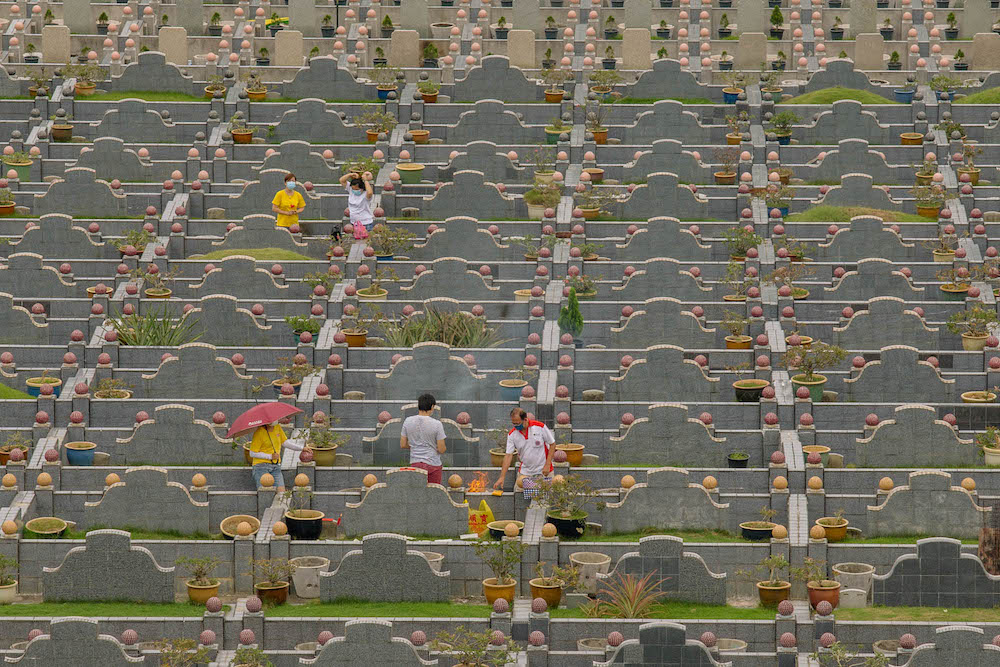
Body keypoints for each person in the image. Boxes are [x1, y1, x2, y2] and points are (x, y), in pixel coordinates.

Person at [493, 408, 555, 500]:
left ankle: (540, 487)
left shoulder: (540, 427)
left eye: (518, 423)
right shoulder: (512, 434)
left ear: (525, 419)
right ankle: (538, 487)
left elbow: (552, 444)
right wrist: (502, 477)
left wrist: (548, 464)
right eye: (514, 424)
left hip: (543, 471)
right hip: (525, 472)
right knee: (520, 492)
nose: (516, 426)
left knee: (549, 494)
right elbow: (508, 455)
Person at [400, 393, 447, 485]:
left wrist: (415, 445)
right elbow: (441, 449)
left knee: (417, 491)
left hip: (415, 463)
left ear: (419, 406)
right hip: (433, 464)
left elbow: (403, 444)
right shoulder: (437, 424)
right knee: (433, 491)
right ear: (432, 406)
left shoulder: (408, 421)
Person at [248, 420, 304, 492]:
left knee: (281, 492)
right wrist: (270, 456)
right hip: (261, 467)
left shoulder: (277, 427)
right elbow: (252, 453)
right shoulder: (259, 432)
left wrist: (302, 448)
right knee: (265, 492)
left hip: (275, 466)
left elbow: (285, 442)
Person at [339, 170, 374, 240]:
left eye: (357, 189)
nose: (354, 190)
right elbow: (342, 180)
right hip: (354, 223)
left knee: (365, 243)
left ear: (362, 188)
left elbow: (370, 193)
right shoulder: (351, 191)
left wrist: (366, 180)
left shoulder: (365, 195)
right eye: (353, 188)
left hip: (366, 223)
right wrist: (350, 175)